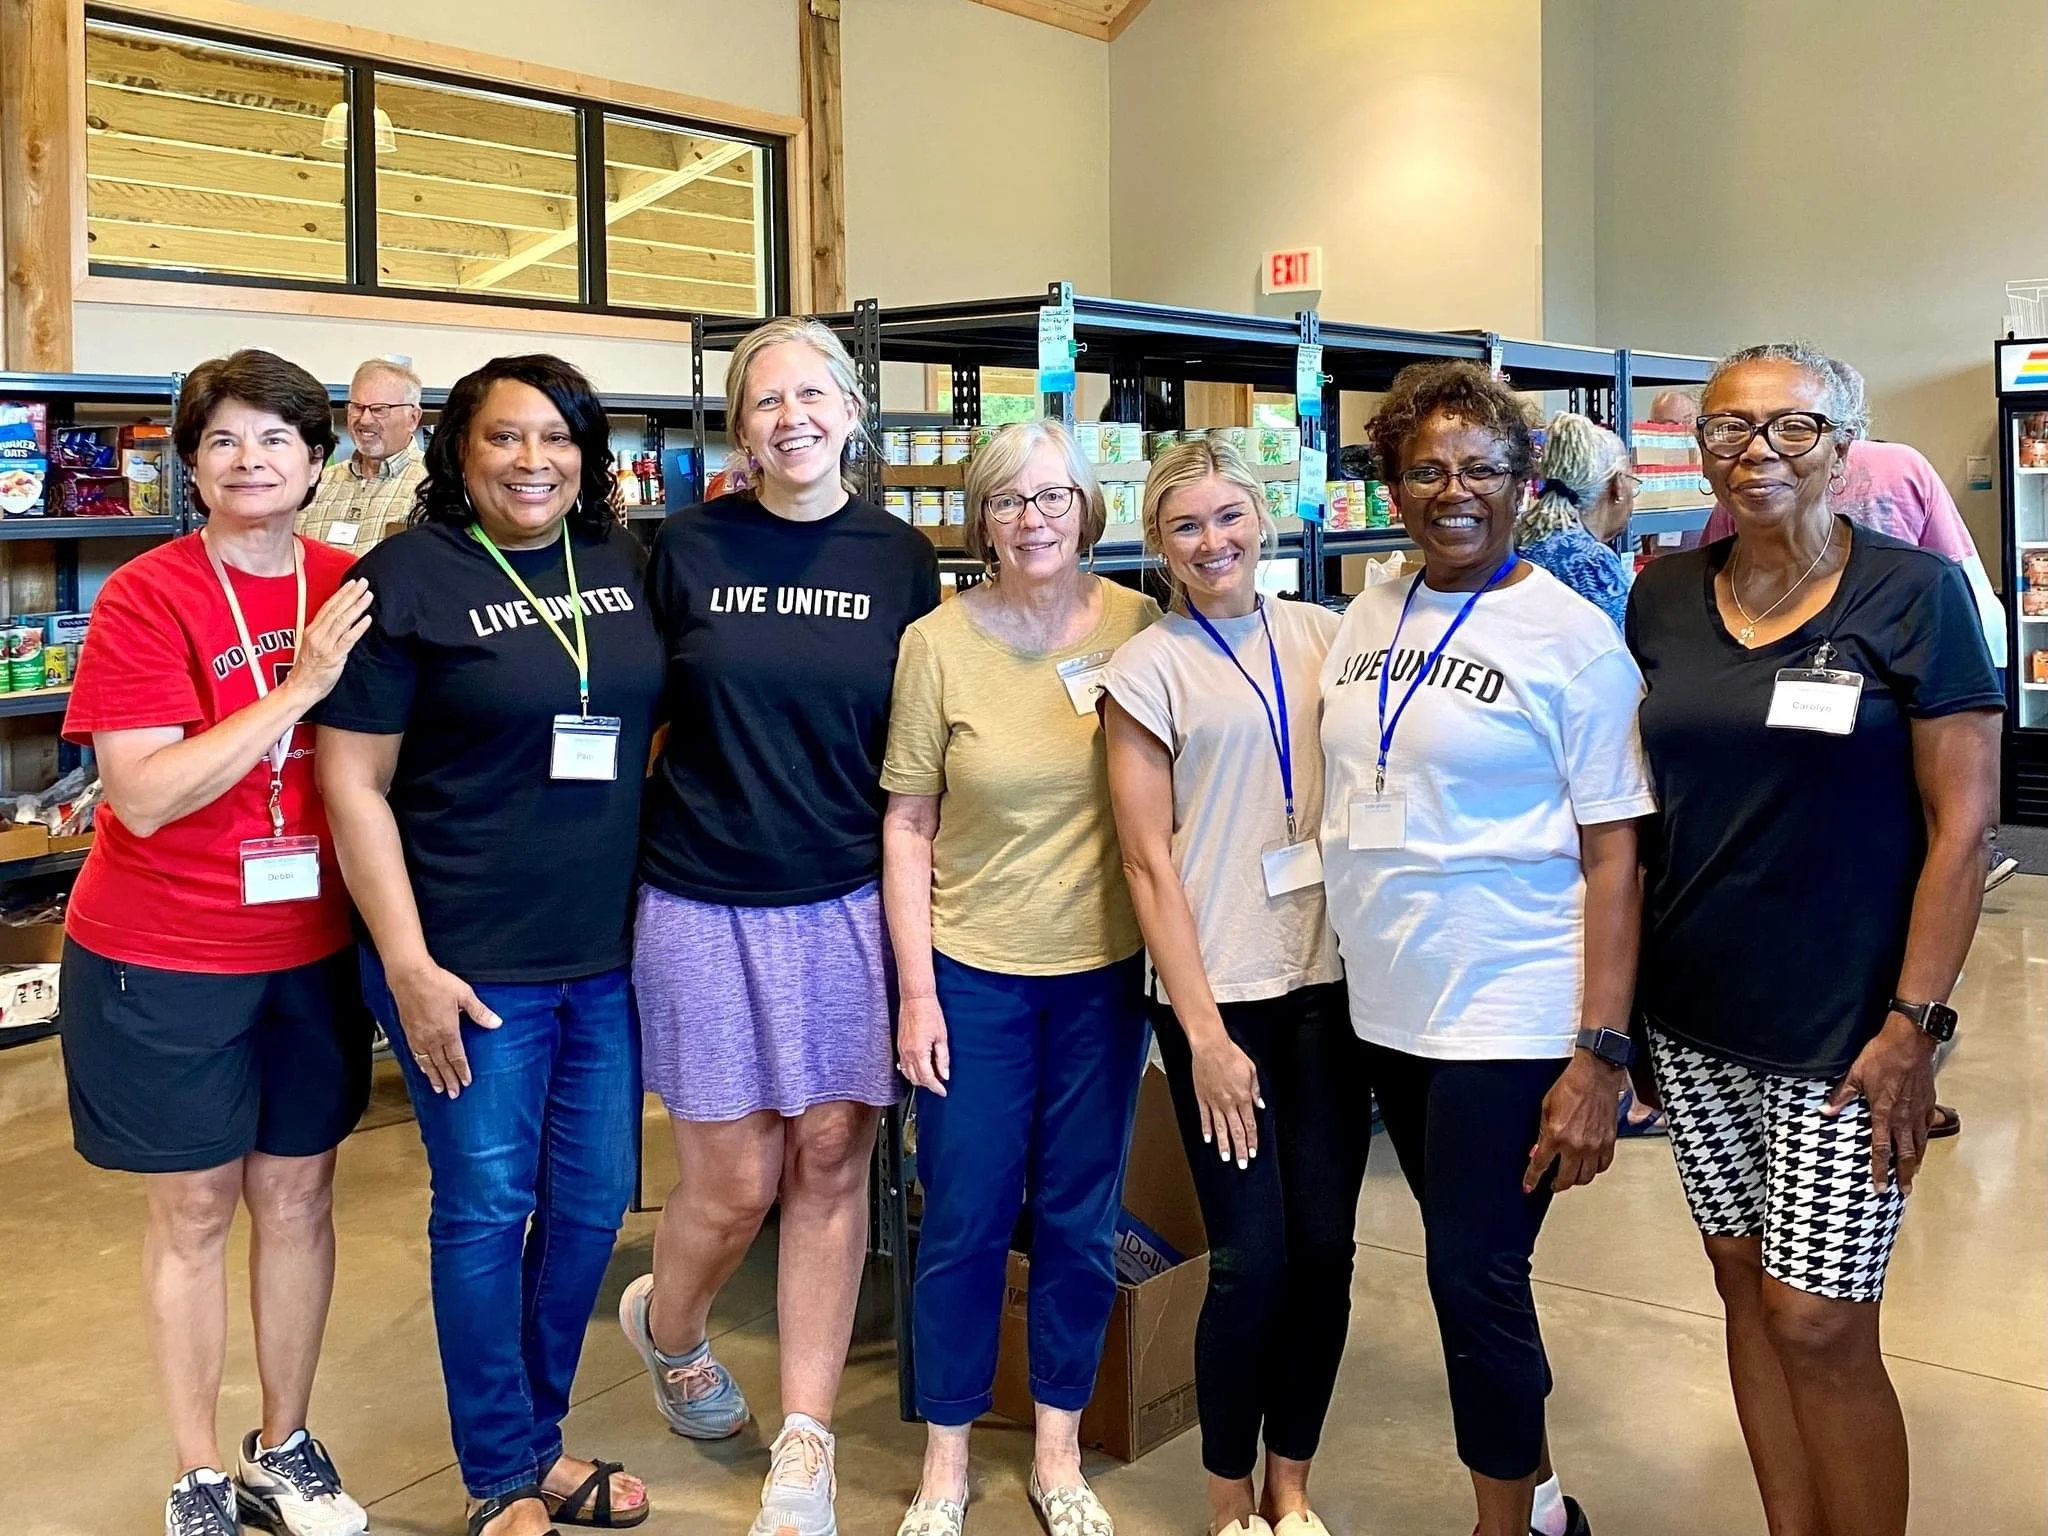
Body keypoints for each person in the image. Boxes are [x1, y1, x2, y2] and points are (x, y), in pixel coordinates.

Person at [1626, 342, 2002, 1536]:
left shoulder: (1911, 594)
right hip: (1692, 1018)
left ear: (1842, 444)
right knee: (1740, 1286)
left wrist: (1914, 1025)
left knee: (1821, 1320)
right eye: (1729, 429)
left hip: (1847, 1026)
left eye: (1789, 427)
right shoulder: (1661, 596)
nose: (1756, 453)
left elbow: (1961, 827)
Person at [315, 355, 664, 1536]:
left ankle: (540, 1441)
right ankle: (501, 1476)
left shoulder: (619, 563)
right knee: (484, 1205)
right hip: (464, 958)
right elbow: (351, 784)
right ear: (457, 454)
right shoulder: (406, 579)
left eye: (557, 438)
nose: (533, 462)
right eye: (505, 440)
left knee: (593, 1201)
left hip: (601, 953)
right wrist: (407, 967)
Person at [1321, 361, 1656, 1536]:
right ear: (1392, 489)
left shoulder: (1570, 638)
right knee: (1473, 1274)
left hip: (1509, 1008)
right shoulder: (1367, 613)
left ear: (1522, 484)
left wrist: (1600, 1055)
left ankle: (1506, 1527)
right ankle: (1546, 1494)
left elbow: (1615, 852)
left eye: (1477, 468)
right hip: (1387, 1008)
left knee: (1472, 1279)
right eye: (1425, 470)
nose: (1450, 490)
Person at [619, 317, 939, 1536]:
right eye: (766, 401)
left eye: (814, 395)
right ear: (738, 423)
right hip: (698, 894)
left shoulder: (901, 559)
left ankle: (801, 1443)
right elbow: (636, 719)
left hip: (849, 902)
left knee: (827, 1159)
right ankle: (670, 1323)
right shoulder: (681, 548)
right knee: (733, 1180)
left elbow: (917, 750)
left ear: (852, 411)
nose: (791, 418)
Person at [56, 348, 375, 1536]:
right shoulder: (148, 595)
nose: (251, 462)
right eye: (225, 441)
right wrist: (295, 691)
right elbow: (140, 795)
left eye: (277, 440)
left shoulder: (351, 583)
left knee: (299, 1195)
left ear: (314, 460)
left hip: (311, 951)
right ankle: (198, 1468)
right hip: (164, 953)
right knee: (193, 1209)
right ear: (191, 466)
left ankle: (285, 1443)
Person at [882, 419, 1159, 1536]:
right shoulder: (934, 644)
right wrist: (915, 993)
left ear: (1088, 509)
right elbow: (906, 823)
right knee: (962, 1215)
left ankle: (1057, 1451)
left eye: (1051, 498)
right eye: (1006, 501)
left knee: (1080, 1219)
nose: (1031, 520)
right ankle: (944, 1460)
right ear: (978, 519)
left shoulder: (1141, 626)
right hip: (973, 975)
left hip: (1101, 978)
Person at [1102, 440, 1361, 1536]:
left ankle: (1288, 1486)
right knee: (1250, 1261)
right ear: (1156, 545)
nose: (1212, 544)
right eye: (1184, 527)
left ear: (1263, 520)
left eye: (1226, 518)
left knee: (1326, 1254)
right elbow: (1146, 860)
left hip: (1335, 988)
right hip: (1224, 1000)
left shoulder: (1324, 635)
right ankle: (1224, 1500)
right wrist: (1201, 1034)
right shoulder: (1145, 668)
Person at [1517, 412, 1639, 629]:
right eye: (1634, 482)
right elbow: (1627, 647)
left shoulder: (1521, 538)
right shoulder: (1592, 563)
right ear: (1618, 486)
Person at [297, 356, 426, 556]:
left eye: (379, 410)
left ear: (413, 418)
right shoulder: (316, 482)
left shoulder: (435, 486)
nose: (365, 419)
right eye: (357, 407)